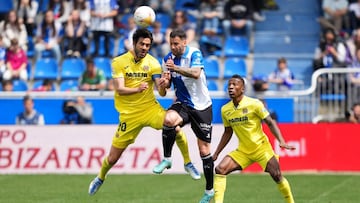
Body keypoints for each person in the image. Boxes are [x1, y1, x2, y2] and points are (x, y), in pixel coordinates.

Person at [88, 28, 200, 196]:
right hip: (129, 115)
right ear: (134, 43)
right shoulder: (118, 62)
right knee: (112, 158)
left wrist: (162, 85)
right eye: (142, 44)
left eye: (148, 45)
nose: (145, 48)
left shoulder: (153, 63)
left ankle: (188, 163)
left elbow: (161, 91)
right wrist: (137, 89)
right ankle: (100, 177)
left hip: (149, 109)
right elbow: (119, 90)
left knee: (174, 126)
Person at [152, 28, 214, 203]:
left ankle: (209, 191)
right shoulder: (167, 60)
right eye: (171, 44)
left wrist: (176, 68)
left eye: (176, 44)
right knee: (169, 119)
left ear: (184, 42)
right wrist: (163, 84)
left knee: (204, 150)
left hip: (202, 106)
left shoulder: (195, 53)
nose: (173, 47)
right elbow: (165, 89)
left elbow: (195, 74)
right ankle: (167, 159)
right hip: (183, 103)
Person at [212, 74, 295, 203]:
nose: (231, 87)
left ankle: (290, 201)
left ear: (243, 89)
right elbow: (227, 132)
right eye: (229, 85)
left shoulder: (254, 103)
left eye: (234, 85)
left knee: (277, 175)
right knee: (220, 169)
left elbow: (270, 122)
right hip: (243, 151)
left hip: (261, 148)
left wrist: (282, 141)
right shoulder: (225, 110)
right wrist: (217, 153)